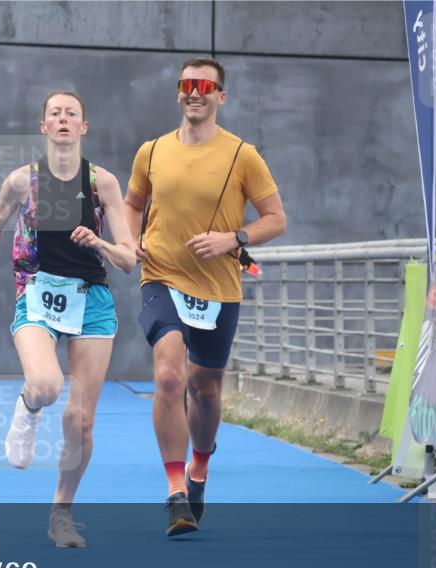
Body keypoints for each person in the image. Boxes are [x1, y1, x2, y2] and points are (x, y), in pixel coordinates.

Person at [0, 92, 136, 547]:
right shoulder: (22, 181)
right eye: (54, 113)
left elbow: (128, 260)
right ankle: (29, 408)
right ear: (43, 127)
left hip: (92, 300)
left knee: (80, 422)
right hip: (38, 294)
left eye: (71, 113)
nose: (62, 119)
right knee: (46, 385)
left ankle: (61, 512)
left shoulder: (103, 184)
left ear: (83, 126)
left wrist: (97, 243)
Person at [124, 57, 287, 537]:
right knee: (170, 375)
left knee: (206, 389)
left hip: (218, 287)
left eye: (204, 86)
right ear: (178, 93)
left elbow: (276, 218)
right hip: (161, 277)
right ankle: (175, 493)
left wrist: (233, 239)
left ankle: (199, 470)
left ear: (221, 96)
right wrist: (131, 239)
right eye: (186, 85)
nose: (194, 92)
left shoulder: (242, 155)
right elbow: (133, 204)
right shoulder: (151, 151)